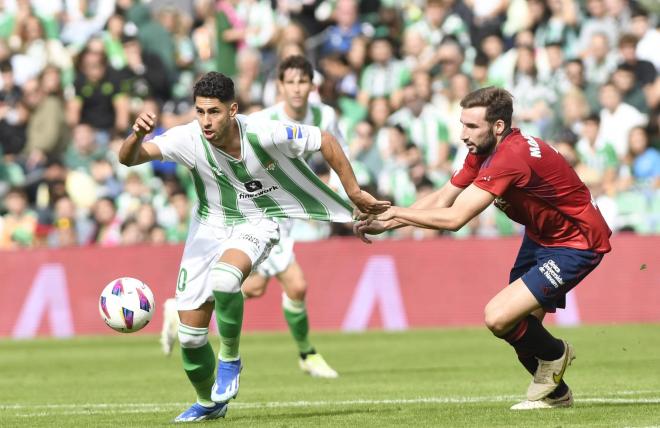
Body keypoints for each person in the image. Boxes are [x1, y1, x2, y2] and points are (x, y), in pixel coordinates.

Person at [118, 71, 388, 422]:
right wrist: (137, 134)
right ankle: (210, 404)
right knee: (190, 338)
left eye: (213, 112)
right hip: (207, 228)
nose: (205, 121)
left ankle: (230, 358)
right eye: (200, 112)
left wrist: (352, 191)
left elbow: (324, 139)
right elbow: (129, 158)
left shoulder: (265, 132)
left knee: (227, 280)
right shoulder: (188, 138)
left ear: (232, 110)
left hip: (257, 221)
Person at [354, 87, 612, 410]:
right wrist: (389, 221)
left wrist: (395, 216)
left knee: (498, 318)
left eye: (471, 126)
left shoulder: (510, 157)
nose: (463, 135)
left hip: (575, 241)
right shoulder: (482, 151)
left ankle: (557, 353)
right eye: (462, 124)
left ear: (498, 126)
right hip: (540, 236)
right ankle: (557, 396)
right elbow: (442, 198)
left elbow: (455, 218)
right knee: (517, 328)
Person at [161, 55, 345, 379]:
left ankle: (184, 311)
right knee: (293, 286)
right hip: (262, 213)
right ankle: (306, 353)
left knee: (253, 287)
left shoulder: (325, 115)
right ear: (280, 87)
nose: (297, 89)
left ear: (312, 86)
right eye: (290, 82)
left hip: (292, 209)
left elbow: (334, 151)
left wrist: (334, 193)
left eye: (303, 82)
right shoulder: (264, 120)